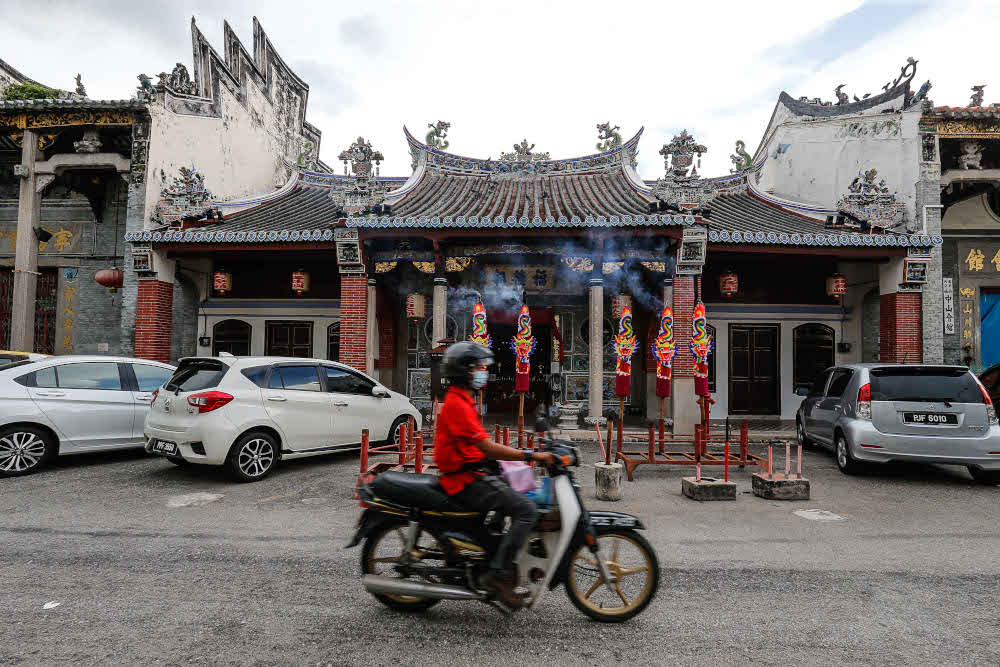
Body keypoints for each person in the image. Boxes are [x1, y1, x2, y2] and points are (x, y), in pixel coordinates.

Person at [434, 341, 554, 608]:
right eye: (478, 367)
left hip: (471, 471)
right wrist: (530, 456)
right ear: (465, 371)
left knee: (513, 490)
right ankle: (497, 574)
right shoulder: (457, 404)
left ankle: (492, 548)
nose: (483, 371)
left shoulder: (462, 399)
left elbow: (481, 447)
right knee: (526, 510)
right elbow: (487, 447)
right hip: (462, 480)